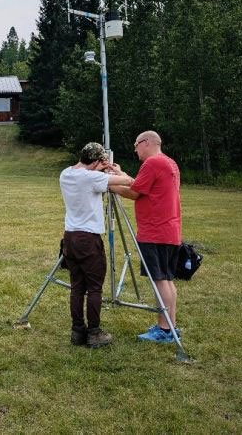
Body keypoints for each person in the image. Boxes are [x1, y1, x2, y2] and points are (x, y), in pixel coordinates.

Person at [110, 131, 182, 344]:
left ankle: (164, 330)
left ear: (147, 142)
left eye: (136, 144)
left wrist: (108, 183)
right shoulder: (169, 162)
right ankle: (169, 325)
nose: (135, 149)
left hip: (154, 231)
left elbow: (134, 192)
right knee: (167, 280)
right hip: (169, 230)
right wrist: (120, 174)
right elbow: (142, 187)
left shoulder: (152, 164)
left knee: (159, 280)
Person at [60, 142, 134, 348]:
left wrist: (97, 169)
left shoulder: (65, 173)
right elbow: (128, 181)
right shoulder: (92, 177)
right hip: (89, 238)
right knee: (94, 288)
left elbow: (85, 175)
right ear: (97, 161)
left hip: (70, 237)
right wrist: (115, 170)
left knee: (77, 286)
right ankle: (94, 333)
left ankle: (77, 331)